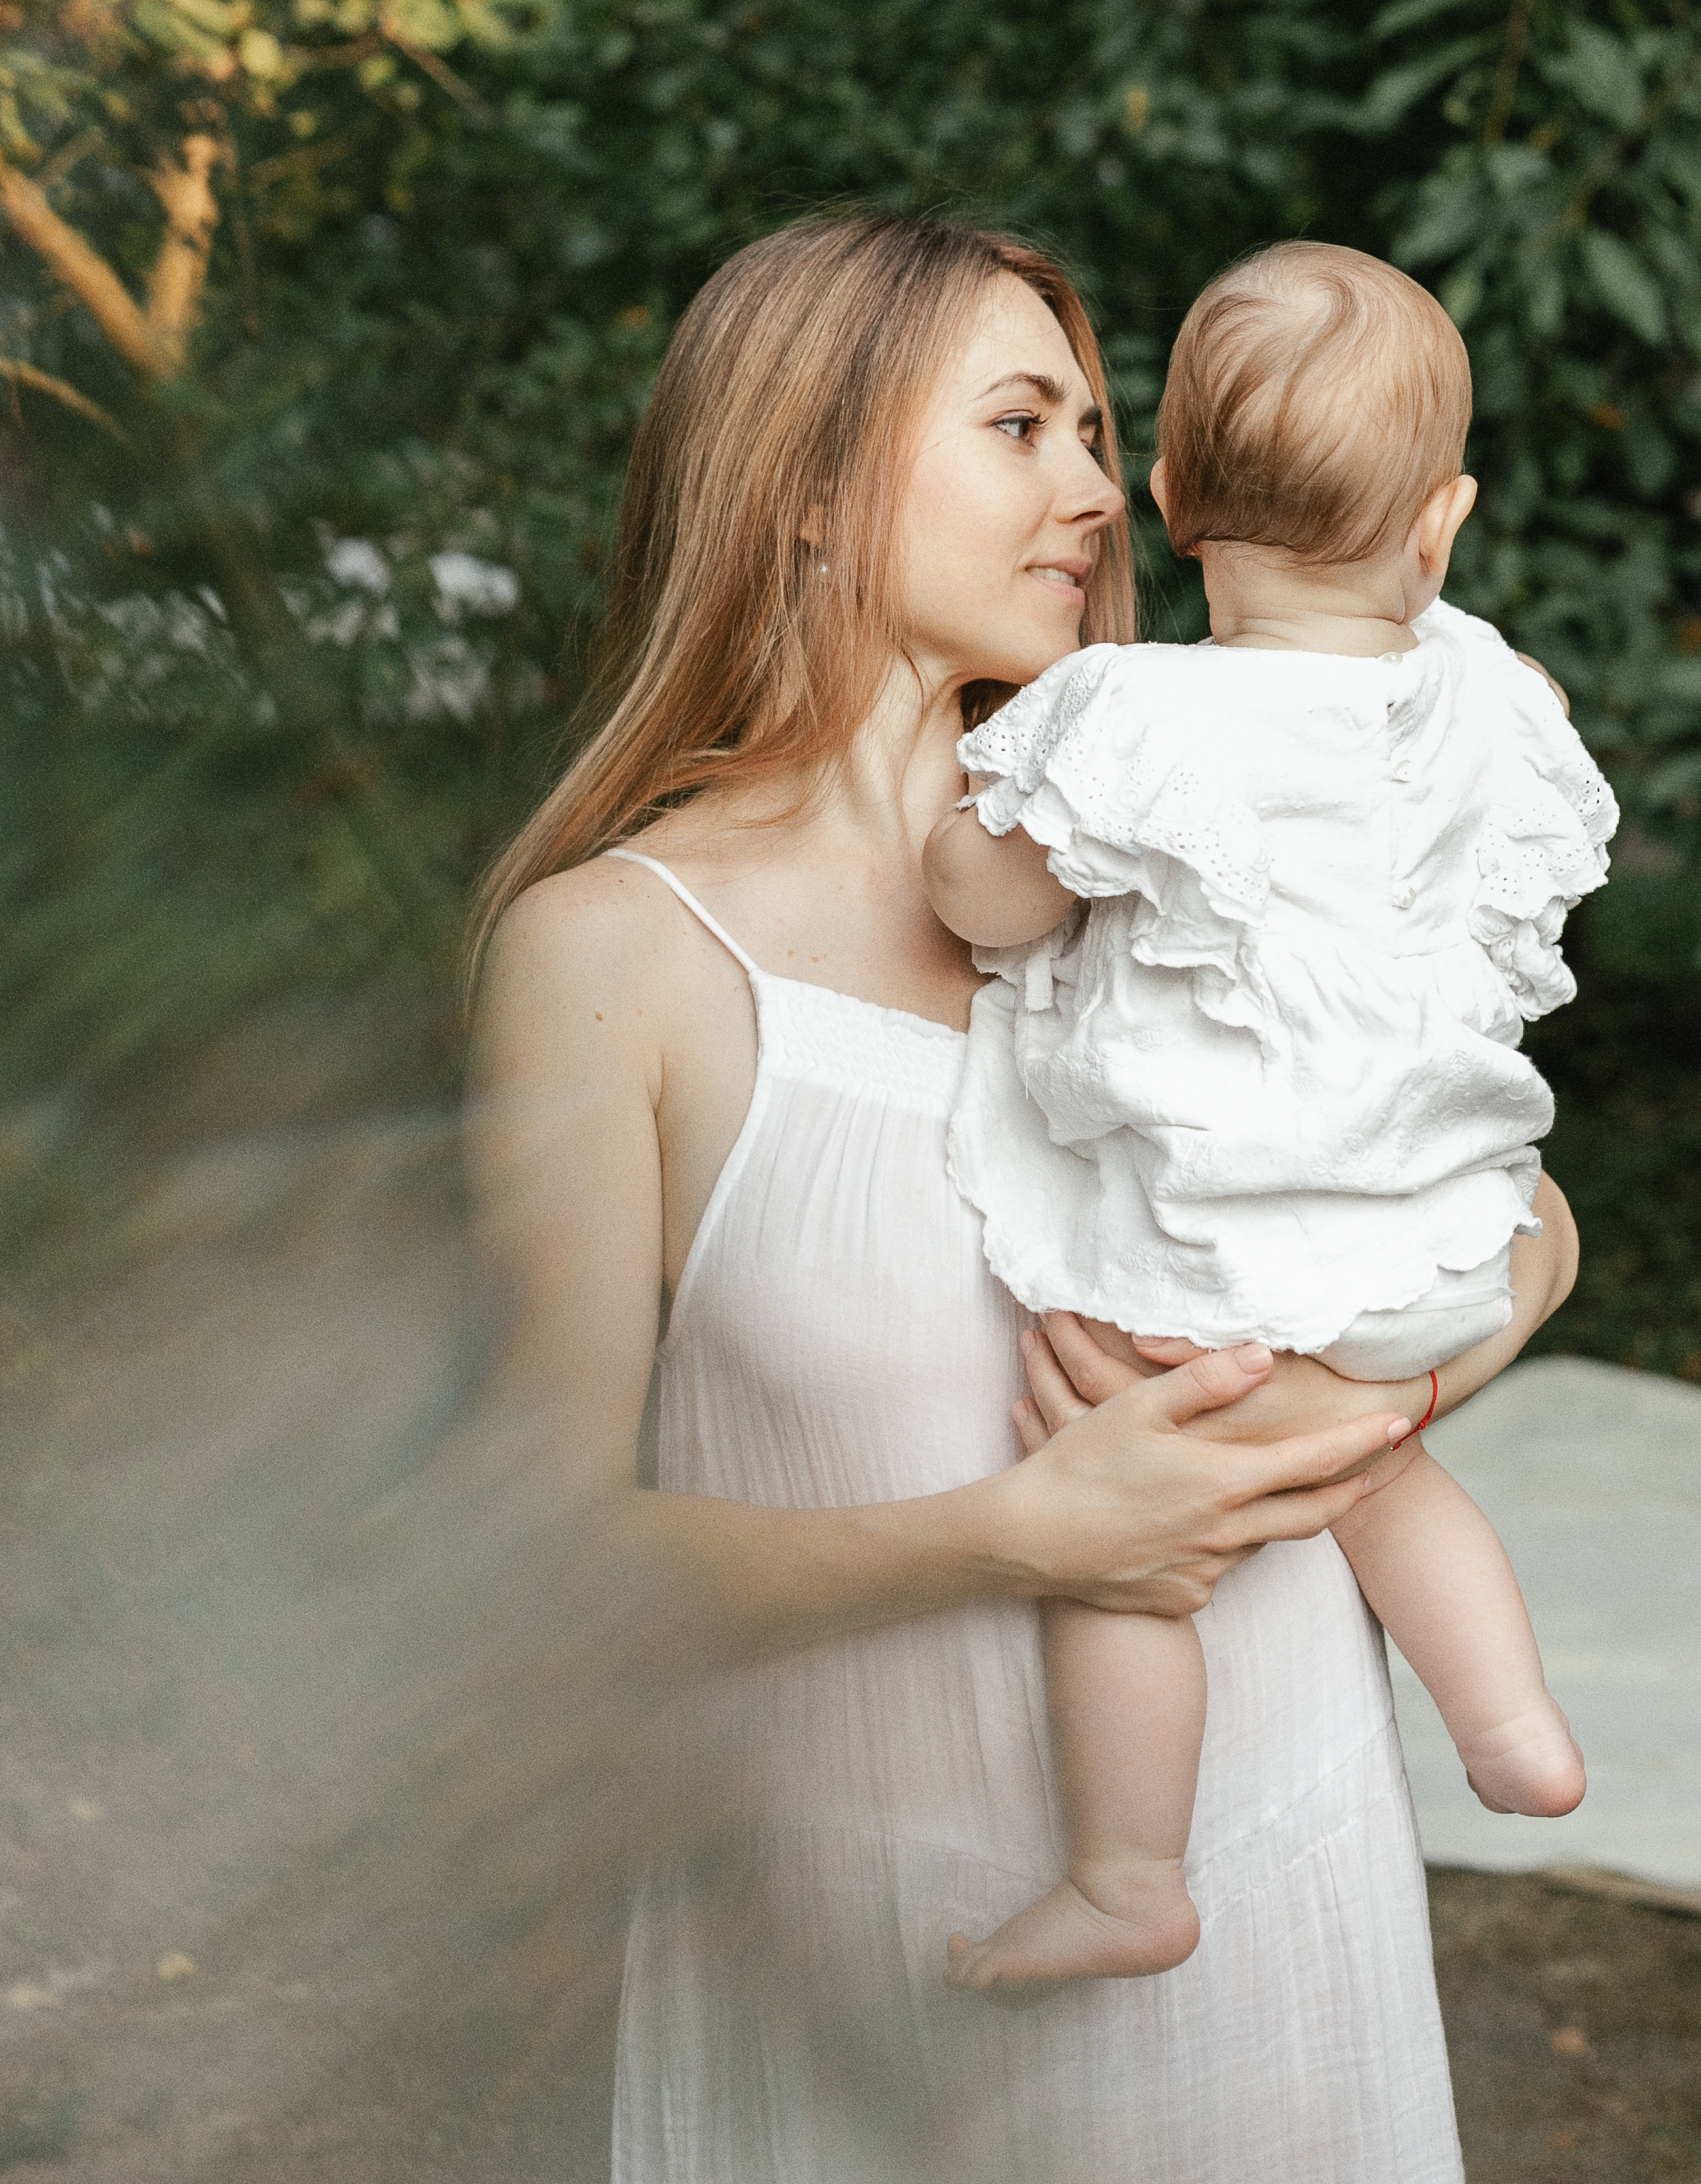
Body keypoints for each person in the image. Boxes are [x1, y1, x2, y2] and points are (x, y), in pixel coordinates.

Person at [465, 214, 1580, 2184]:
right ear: (806, 483)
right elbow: (536, 1561)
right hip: (863, 1966)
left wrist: (1366, 1400)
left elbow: (1519, 1219)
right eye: (1017, 425)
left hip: (1282, 1898)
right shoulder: (616, 954)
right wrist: (1022, 1532)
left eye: (1095, 431)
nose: (1089, 488)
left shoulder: (1180, 837)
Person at [925, 241, 1612, 1997]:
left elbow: (985, 904)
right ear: (1441, 522)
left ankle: (1125, 1878)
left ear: (1167, 500)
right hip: (1440, 1245)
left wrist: (962, 830)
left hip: (1219, 1263)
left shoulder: (1136, 713)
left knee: (1128, 1565)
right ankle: (1514, 1730)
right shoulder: (1492, 694)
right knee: (1383, 1474)